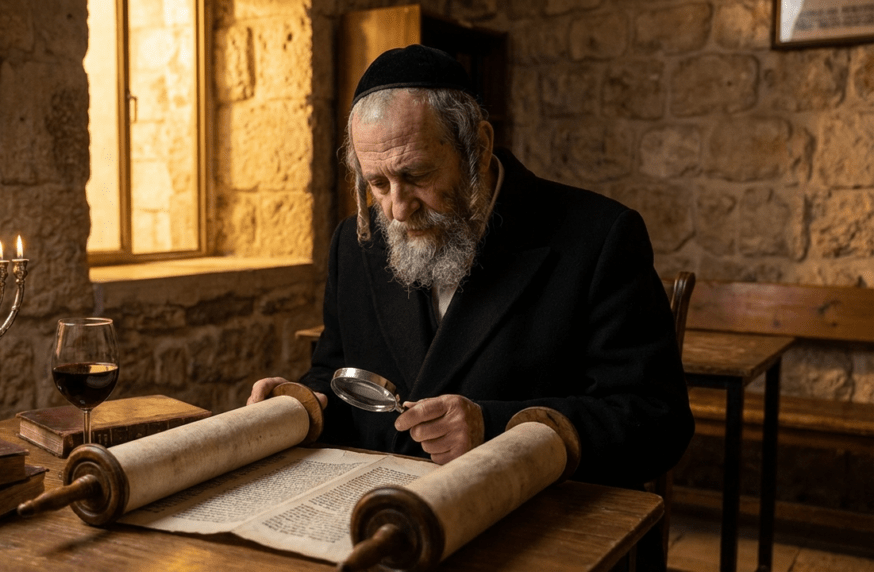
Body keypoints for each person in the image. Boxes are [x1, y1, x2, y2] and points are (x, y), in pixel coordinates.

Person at [249, 44, 694, 492]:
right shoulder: (355, 242)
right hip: (383, 508)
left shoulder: (599, 237)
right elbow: (338, 374)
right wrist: (301, 405)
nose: (397, 210)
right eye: (377, 183)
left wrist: (494, 429)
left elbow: (655, 421)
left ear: (477, 147)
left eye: (418, 175)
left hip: (530, 514)